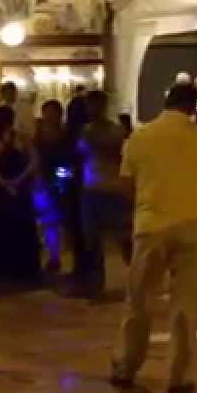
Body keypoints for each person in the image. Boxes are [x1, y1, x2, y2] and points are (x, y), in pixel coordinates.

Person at [111, 83, 197, 393]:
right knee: (186, 305)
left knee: (139, 300)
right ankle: (179, 376)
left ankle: (127, 365)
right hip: (193, 224)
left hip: (151, 225)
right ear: (193, 106)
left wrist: (147, 202)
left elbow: (125, 183)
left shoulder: (140, 136)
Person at [77, 91, 131, 299]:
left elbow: (121, 155)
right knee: (92, 239)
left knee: (123, 237)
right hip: (92, 187)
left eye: (95, 105)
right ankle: (97, 283)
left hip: (111, 187)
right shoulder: (87, 130)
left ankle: (137, 278)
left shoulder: (114, 131)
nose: (92, 109)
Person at [0, 105, 41, 287]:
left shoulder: (18, 139)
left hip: (12, 188)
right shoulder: (5, 141)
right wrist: (12, 183)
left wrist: (10, 183)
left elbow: (33, 161)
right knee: (13, 227)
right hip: (12, 189)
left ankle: (11, 269)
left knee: (13, 227)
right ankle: (19, 269)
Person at [34, 100, 83, 275]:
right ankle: (54, 256)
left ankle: (72, 258)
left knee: (67, 221)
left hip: (63, 181)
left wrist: (63, 180)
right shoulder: (39, 135)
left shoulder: (67, 135)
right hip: (45, 180)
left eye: (53, 113)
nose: (49, 117)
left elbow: (72, 159)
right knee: (49, 221)